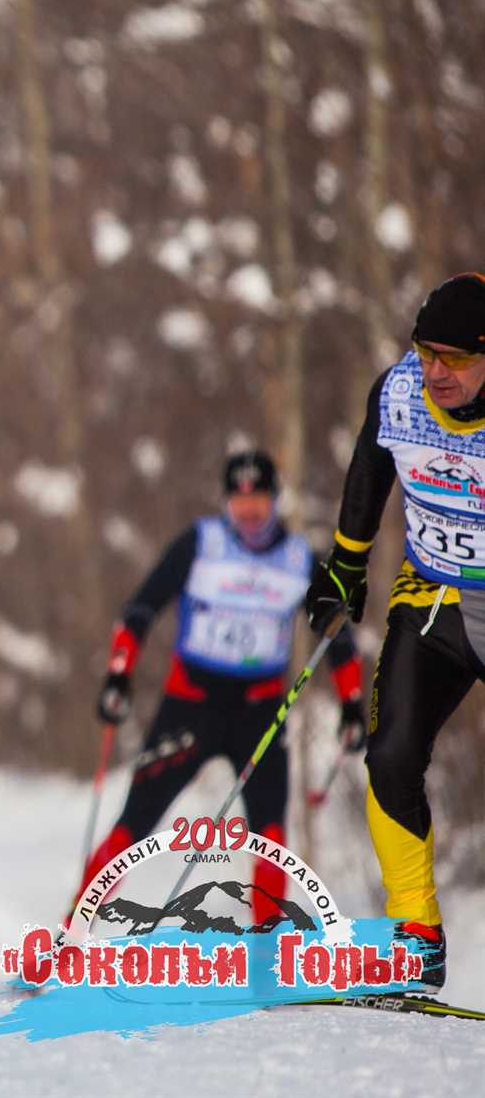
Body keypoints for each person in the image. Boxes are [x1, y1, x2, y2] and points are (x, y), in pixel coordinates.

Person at [76, 448, 366, 929]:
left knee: (270, 831)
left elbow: (337, 637)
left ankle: (269, 950)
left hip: (259, 712)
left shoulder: (299, 559)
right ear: (226, 503)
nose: (249, 513)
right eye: (239, 502)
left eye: (259, 502)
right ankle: (72, 932)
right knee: (134, 823)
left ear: (276, 501)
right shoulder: (200, 543)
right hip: (189, 706)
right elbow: (140, 609)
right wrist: (119, 674)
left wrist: (353, 705)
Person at [305, 272, 485, 991]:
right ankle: (414, 939)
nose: (433, 370)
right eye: (423, 351)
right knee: (390, 756)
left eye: (452, 357)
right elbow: (368, 471)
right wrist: (344, 565)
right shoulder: (400, 390)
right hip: (432, 595)